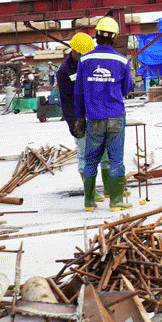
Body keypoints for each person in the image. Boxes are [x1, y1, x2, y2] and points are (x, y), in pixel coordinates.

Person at [74, 17, 134, 210]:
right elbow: (126, 89)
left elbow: (79, 92)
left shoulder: (85, 60)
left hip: (93, 117)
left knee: (91, 159)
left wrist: (79, 117)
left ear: (97, 36)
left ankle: (89, 202)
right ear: (114, 38)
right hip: (116, 116)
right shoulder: (122, 61)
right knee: (116, 159)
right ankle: (116, 202)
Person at [56, 32, 109, 205]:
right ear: (75, 51)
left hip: (97, 115)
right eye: (83, 54)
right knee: (85, 156)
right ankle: (91, 194)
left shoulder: (92, 64)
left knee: (105, 154)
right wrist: (73, 125)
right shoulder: (65, 71)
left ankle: (110, 190)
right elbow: (66, 101)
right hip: (80, 118)